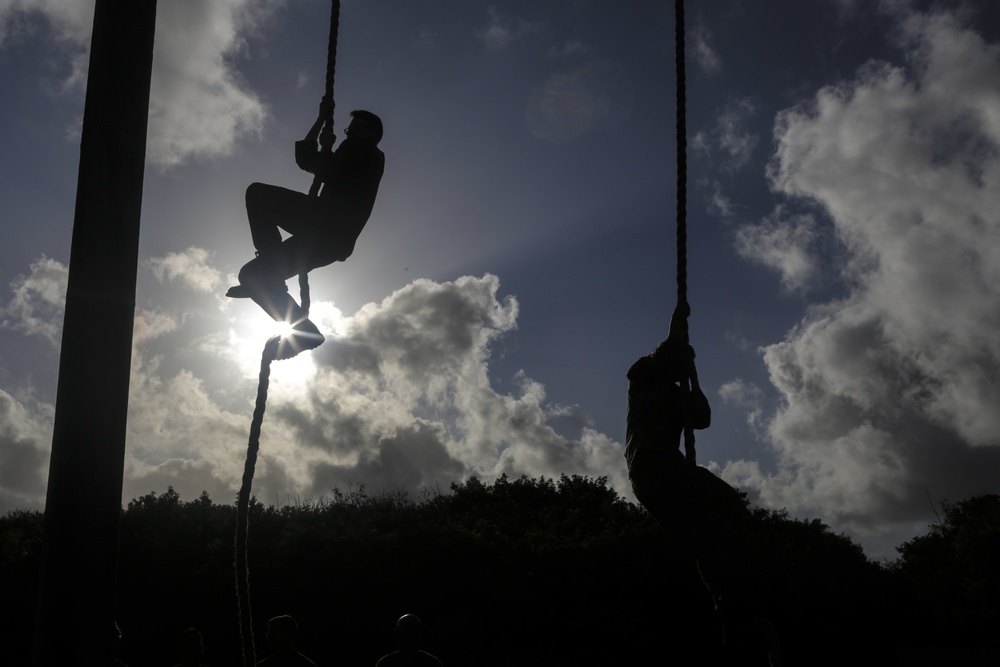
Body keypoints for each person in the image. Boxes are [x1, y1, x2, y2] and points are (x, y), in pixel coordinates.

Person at [227, 101, 385, 351]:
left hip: (328, 223)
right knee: (252, 275)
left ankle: (273, 277)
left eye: (356, 128)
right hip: (329, 239)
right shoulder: (357, 153)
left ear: (372, 133)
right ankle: (305, 332)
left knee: (257, 194)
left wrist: (325, 140)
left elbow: (322, 168)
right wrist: (321, 123)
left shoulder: (364, 150)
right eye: (349, 129)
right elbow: (310, 161)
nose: (351, 132)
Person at [375, 614, 442, 667]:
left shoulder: (385, 663)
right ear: (420, 635)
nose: (408, 636)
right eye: (405, 631)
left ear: (396, 633)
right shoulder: (431, 663)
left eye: (411, 632)